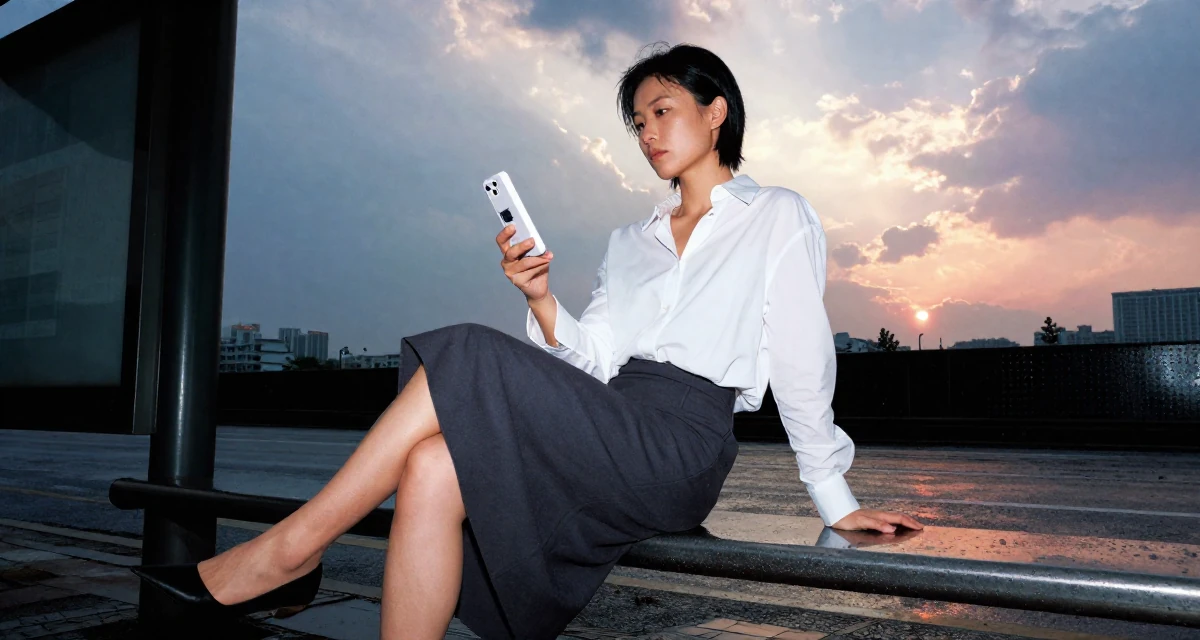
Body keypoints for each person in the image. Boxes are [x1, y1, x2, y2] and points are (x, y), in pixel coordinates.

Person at [133, 42, 922, 640]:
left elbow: (801, 357)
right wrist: (543, 300)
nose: (647, 133)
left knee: (469, 349)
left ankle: (288, 550)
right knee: (431, 462)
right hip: (612, 419)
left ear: (716, 112)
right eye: (637, 122)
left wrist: (834, 496)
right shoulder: (630, 240)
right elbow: (595, 359)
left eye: (662, 111)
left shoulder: (776, 214)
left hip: (683, 445)